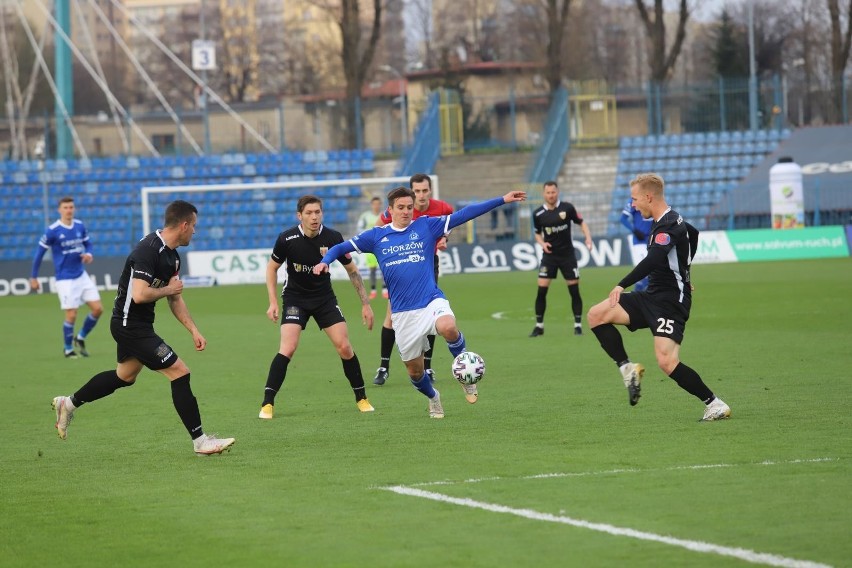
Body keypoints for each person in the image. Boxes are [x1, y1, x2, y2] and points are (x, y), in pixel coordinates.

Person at [314, 187, 527, 419]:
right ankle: (433, 396)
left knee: (448, 326)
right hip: (403, 315)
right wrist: (325, 261)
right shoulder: (376, 236)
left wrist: (502, 200)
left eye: (409, 207)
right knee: (415, 372)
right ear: (390, 210)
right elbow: (340, 247)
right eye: (401, 208)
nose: (406, 212)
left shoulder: (425, 225)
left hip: (430, 301)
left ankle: (465, 370)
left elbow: (464, 214)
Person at [51, 200, 236, 455]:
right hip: (128, 325)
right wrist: (169, 289)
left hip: (138, 326)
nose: (195, 231)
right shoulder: (147, 251)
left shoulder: (173, 257)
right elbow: (139, 295)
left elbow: (175, 298)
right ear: (183, 225)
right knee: (180, 372)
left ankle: (68, 404)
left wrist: (193, 330)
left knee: (124, 376)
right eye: (194, 226)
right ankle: (200, 441)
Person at [587, 173, 731, 422]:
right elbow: (693, 234)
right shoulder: (667, 220)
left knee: (666, 361)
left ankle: (715, 403)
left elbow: (653, 259)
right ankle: (627, 369)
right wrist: (684, 270)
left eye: (634, 199)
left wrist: (622, 285)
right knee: (597, 315)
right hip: (651, 295)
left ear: (648, 197)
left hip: (670, 302)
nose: (632, 205)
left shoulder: (668, 224)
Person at [259, 195, 375, 419]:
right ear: (299, 215)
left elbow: (353, 270)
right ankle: (267, 403)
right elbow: (271, 268)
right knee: (288, 348)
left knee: (344, 347)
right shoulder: (286, 238)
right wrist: (273, 301)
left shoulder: (333, 237)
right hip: (295, 299)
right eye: (309, 213)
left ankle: (362, 398)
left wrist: (365, 305)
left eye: (318, 212)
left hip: (324, 299)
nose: (314, 217)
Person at [372, 173, 453, 386]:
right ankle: (383, 366)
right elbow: (378, 225)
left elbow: (449, 221)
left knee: (432, 314)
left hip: (427, 264)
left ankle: (428, 366)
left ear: (430, 190)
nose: (421, 195)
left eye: (425, 190)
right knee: (390, 315)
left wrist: (444, 238)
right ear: (411, 192)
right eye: (417, 191)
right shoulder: (402, 208)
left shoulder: (442, 207)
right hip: (400, 264)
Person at [30, 196, 104, 358]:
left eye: (71, 207)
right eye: (65, 207)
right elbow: (39, 254)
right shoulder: (53, 230)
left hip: (81, 275)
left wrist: (89, 254)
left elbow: (88, 244)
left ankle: (80, 337)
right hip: (65, 279)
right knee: (71, 314)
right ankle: (68, 348)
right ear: (59, 210)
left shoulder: (79, 225)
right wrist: (33, 277)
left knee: (98, 309)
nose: (69, 210)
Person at [529, 181, 593, 338]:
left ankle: (578, 325)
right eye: (548, 193)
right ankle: (539, 326)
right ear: (544, 194)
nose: (551, 195)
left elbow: (581, 223)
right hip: (549, 257)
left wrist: (588, 238)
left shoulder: (567, 208)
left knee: (574, 290)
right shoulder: (538, 214)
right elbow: (537, 233)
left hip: (567, 256)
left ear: (558, 192)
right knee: (541, 290)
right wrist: (542, 243)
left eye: (553, 192)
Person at [620, 198, 653, 292]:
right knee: (645, 270)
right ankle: (639, 297)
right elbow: (623, 219)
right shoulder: (634, 200)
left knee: (650, 272)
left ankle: (636, 295)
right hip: (640, 241)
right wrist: (634, 230)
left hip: (653, 240)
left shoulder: (653, 198)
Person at [356, 196, 385, 300]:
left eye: (378, 204)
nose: (376, 206)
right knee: (372, 269)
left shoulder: (384, 215)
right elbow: (359, 229)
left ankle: (384, 289)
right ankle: (373, 290)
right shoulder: (365, 216)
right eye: (374, 204)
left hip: (381, 245)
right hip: (370, 247)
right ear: (372, 205)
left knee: (383, 268)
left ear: (380, 204)